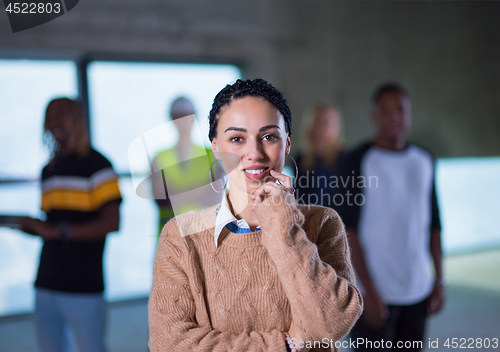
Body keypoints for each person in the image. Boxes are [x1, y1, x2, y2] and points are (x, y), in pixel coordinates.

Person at [148, 79, 363, 352]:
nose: (254, 153)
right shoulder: (180, 236)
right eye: (237, 139)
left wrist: (282, 222)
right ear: (215, 147)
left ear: (287, 144)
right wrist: (285, 344)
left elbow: (331, 325)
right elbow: (170, 344)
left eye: (269, 136)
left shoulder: (322, 223)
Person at [337, 83, 444, 351]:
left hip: (417, 290)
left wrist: (439, 280)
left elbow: (434, 225)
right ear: (374, 116)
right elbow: (348, 231)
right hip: (373, 293)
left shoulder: (424, 159)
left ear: (409, 114)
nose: (394, 117)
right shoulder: (357, 161)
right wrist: (369, 291)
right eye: (386, 111)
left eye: (400, 110)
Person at [19, 98, 122, 352]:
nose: (54, 122)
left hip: (83, 286)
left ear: (77, 119)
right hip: (45, 283)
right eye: (50, 116)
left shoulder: (98, 165)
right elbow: (53, 225)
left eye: (61, 115)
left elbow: (113, 222)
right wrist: (33, 227)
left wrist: (59, 231)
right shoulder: (49, 170)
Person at [151, 97, 221, 237]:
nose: (183, 120)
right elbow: (163, 201)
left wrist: (176, 193)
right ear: (171, 118)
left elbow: (215, 198)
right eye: (179, 116)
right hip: (170, 239)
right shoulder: (159, 157)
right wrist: (201, 189)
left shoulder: (211, 155)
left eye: (187, 115)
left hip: (204, 237)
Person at [295, 104, 346, 209]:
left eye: (327, 123)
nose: (323, 129)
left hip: (337, 220)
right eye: (318, 123)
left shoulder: (346, 159)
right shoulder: (300, 160)